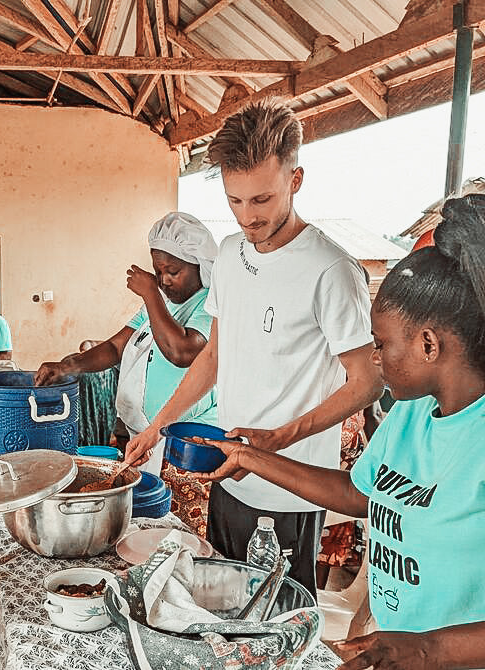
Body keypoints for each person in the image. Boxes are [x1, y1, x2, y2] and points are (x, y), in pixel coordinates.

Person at [200, 193, 485, 669]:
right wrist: (251, 457)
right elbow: (359, 496)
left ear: (429, 345)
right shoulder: (412, 413)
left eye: (381, 344)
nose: (374, 359)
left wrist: (423, 648)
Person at [126, 99, 382, 597]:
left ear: (296, 179)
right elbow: (214, 357)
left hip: (290, 488)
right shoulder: (229, 257)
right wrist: (156, 429)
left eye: (261, 200)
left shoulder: (331, 271)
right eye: (234, 201)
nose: (247, 217)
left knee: (278, 621)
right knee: (220, 608)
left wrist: (278, 440)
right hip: (230, 473)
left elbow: (368, 380)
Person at [36, 212, 219, 533]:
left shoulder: (210, 305)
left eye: (173, 271)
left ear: (200, 266)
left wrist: (150, 294)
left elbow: (182, 351)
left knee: (179, 532)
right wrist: (67, 366)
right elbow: (115, 347)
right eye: (159, 271)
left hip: (186, 444)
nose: (163, 280)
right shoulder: (160, 302)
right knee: (148, 529)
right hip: (145, 438)